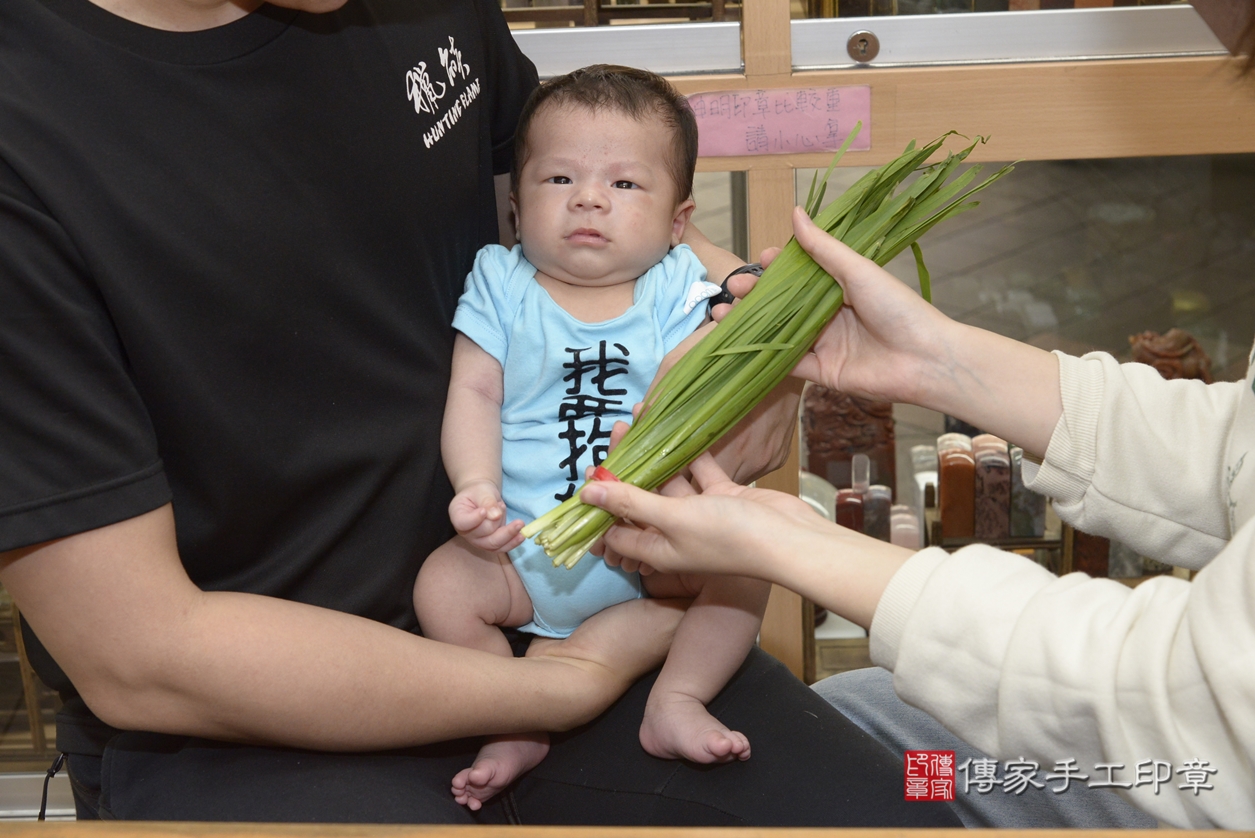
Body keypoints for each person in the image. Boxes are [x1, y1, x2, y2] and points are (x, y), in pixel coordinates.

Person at [0, 0, 962, 825]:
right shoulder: (30, 125)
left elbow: (579, 202)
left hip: (564, 597)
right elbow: (138, 654)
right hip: (249, 715)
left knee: (897, 821)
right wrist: (550, 690)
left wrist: (748, 344)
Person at [580, 205, 1255, 830]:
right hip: (1182, 714)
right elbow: (1231, 452)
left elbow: (1188, 699)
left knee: (847, 766)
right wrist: (939, 360)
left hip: (1195, 763)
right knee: (843, 723)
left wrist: (795, 544)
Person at [414, 66, 770, 811]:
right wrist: (476, 488)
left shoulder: (679, 289)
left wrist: (740, 324)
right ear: (515, 209)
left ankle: (676, 700)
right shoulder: (500, 281)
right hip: (519, 552)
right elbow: (473, 390)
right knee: (442, 585)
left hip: (647, 560)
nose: (588, 197)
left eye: (625, 185)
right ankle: (512, 712)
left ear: (678, 223)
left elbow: (692, 393)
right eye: (558, 178)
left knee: (745, 568)